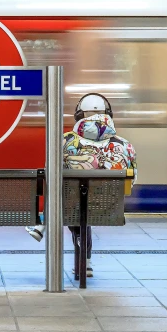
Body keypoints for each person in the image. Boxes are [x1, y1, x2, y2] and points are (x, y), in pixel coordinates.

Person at [25, 93, 137, 277]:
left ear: (79, 116)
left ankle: (42, 224)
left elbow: (50, 175)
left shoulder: (65, 141)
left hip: (73, 206)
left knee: (73, 198)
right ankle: (86, 262)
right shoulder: (125, 146)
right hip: (109, 207)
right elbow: (132, 179)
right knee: (84, 202)